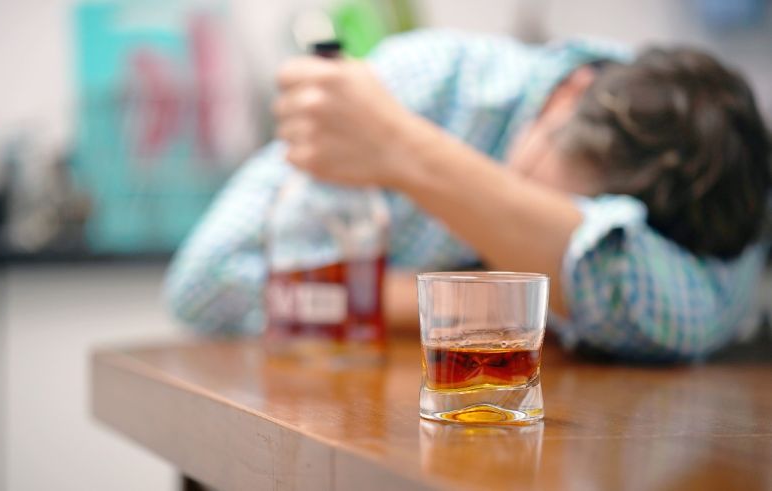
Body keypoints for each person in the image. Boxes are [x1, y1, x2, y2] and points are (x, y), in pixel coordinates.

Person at [164, 29, 771, 361]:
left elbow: (703, 309)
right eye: (538, 210)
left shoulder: (721, 178)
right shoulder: (422, 84)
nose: (525, 247)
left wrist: (400, 149)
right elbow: (205, 283)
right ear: (566, 97)